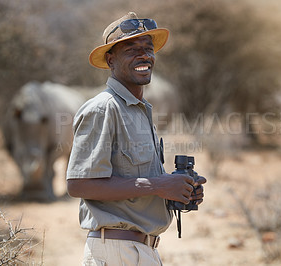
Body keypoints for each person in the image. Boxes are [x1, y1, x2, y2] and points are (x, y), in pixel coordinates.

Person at [66, 12, 206, 265]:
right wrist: (158, 186)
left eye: (148, 48)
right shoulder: (103, 109)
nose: (144, 55)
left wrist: (178, 189)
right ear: (111, 60)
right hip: (117, 251)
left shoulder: (139, 110)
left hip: (141, 249)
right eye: (131, 49)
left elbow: (136, 180)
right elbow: (79, 184)